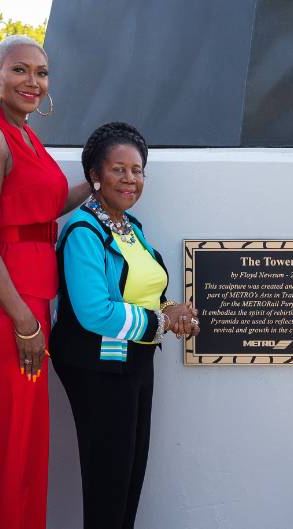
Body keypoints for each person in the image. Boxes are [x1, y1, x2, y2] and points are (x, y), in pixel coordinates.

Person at [0, 35, 90, 529]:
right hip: (4, 305)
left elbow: (40, 209)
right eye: (20, 70)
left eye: (41, 72)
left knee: (10, 435)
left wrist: (97, 184)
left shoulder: (25, 135)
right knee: (20, 443)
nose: (33, 81)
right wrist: (25, 321)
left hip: (31, 296)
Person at [50, 122, 199, 529]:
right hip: (98, 369)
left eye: (137, 170)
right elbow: (94, 311)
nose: (130, 179)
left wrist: (174, 309)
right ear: (95, 176)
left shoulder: (132, 228)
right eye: (119, 169)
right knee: (107, 482)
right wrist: (161, 320)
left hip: (135, 363)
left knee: (130, 476)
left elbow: (145, 292)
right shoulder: (84, 231)